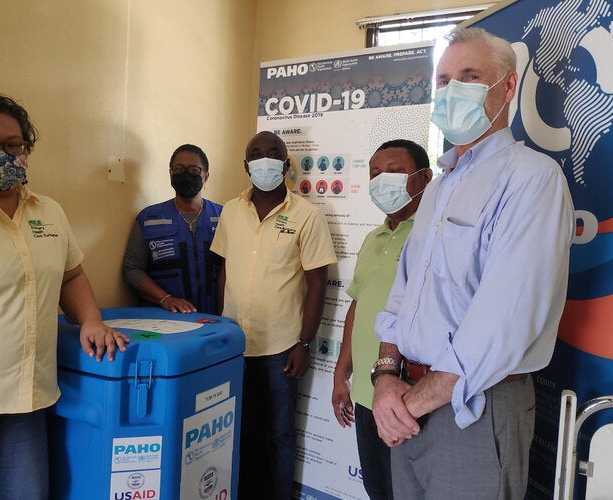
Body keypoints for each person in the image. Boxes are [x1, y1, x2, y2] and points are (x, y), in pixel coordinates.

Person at [371, 28, 575, 499]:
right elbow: (403, 293)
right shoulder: (439, 187)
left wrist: (412, 402)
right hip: (407, 400)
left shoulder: (532, 180)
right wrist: (385, 379)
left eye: (469, 77)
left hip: (476, 408)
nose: (451, 92)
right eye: (443, 81)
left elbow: (502, 320)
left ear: (508, 88)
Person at [0, 95, 129, 499]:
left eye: (13, 145)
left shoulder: (48, 211)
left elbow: (72, 276)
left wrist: (89, 319)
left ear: (26, 151)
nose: (1, 154)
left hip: (28, 399)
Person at [210, 131, 336, 500]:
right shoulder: (230, 211)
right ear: (245, 165)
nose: (264, 160)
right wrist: (218, 326)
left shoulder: (307, 216)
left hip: (282, 348)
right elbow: (223, 271)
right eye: (256, 154)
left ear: (285, 164)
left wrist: (304, 343)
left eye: (273, 154)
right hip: (232, 345)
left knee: (279, 434)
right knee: (238, 429)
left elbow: (317, 283)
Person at [332, 139, 432, 500]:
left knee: (405, 491)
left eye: (394, 171)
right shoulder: (373, 238)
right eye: (375, 173)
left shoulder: (434, 235)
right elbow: (358, 307)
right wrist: (342, 372)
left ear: (425, 178)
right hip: (365, 393)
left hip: (407, 392)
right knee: (377, 488)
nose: (382, 180)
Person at [122, 144, 222, 314]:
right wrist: (165, 299)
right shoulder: (148, 218)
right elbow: (132, 269)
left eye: (193, 170)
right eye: (179, 169)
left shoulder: (224, 217)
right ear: (170, 173)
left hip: (212, 316)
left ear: (205, 177)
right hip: (163, 318)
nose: (185, 174)